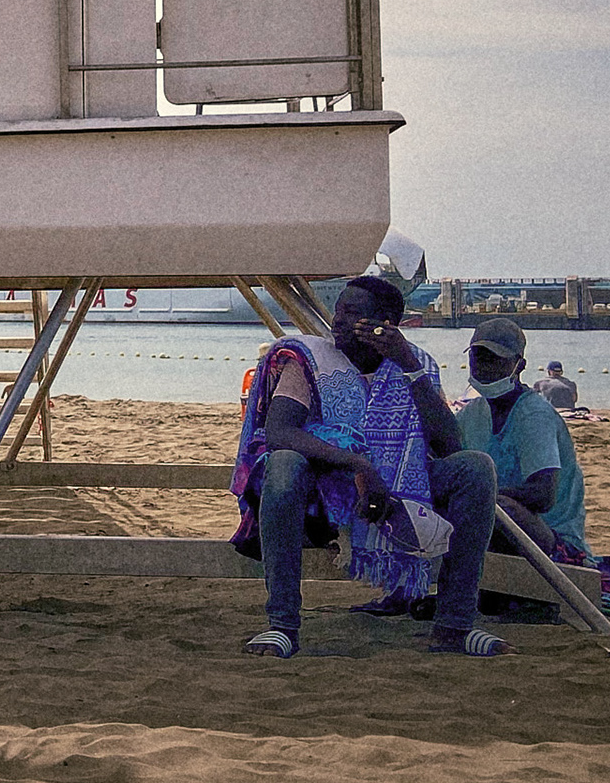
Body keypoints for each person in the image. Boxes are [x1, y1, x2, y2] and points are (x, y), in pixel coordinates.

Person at [231, 275, 512, 658]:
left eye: (351, 313)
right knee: (282, 464)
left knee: (475, 468)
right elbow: (280, 432)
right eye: (338, 310)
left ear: (385, 325)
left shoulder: (415, 364)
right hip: (322, 504)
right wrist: (358, 463)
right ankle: (282, 625)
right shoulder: (310, 361)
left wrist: (408, 365)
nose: (337, 320)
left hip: (399, 498)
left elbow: (449, 445)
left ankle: (455, 625)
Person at [457, 319, 589, 565]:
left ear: (519, 365)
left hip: (551, 539)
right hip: (496, 528)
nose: (484, 366)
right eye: (478, 357)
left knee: (499, 508)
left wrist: (484, 494)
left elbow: (544, 494)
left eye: (495, 359)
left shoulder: (533, 415)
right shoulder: (470, 414)